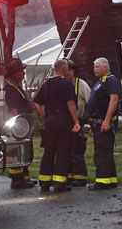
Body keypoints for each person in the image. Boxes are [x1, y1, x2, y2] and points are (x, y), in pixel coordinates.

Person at [32, 59, 81, 193]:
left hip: (50, 121)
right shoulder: (67, 83)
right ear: (64, 69)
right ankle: (59, 184)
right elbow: (70, 103)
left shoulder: (47, 83)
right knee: (62, 150)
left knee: (48, 151)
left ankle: (44, 183)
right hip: (63, 120)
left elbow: (36, 102)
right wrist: (76, 121)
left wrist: (44, 115)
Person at [87, 57, 121, 190]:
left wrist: (107, 120)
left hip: (104, 122)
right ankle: (111, 179)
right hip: (97, 122)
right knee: (106, 151)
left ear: (105, 67)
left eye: (97, 66)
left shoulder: (111, 81)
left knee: (101, 152)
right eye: (94, 67)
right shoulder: (102, 81)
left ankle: (102, 181)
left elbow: (114, 100)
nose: (94, 69)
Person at [3, 58, 37, 189]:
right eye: (20, 71)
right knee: (18, 152)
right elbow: (14, 111)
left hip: (25, 125)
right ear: (13, 74)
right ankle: (17, 180)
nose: (23, 72)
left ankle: (25, 177)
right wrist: (18, 128)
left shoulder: (18, 88)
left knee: (27, 152)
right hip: (19, 126)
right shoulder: (10, 90)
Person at [65, 59, 92, 187]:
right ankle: (68, 176)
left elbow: (91, 102)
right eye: (65, 70)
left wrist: (85, 117)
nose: (67, 73)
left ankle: (80, 177)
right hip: (64, 123)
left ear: (74, 71)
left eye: (69, 70)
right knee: (65, 151)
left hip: (77, 122)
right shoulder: (61, 85)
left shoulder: (81, 85)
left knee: (77, 150)